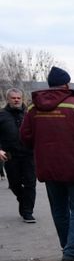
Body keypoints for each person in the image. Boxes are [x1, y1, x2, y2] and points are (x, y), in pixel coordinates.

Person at [20, 66, 74, 261]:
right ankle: (71, 252)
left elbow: (25, 137)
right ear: (67, 84)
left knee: (59, 209)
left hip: (49, 168)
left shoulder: (33, 108)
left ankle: (67, 248)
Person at [0, 88, 36, 222]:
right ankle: (23, 200)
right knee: (14, 184)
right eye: (13, 98)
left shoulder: (29, 114)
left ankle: (28, 212)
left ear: (22, 99)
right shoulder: (2, 115)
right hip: (10, 156)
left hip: (29, 155)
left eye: (18, 98)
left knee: (30, 184)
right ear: (8, 99)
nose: (16, 100)